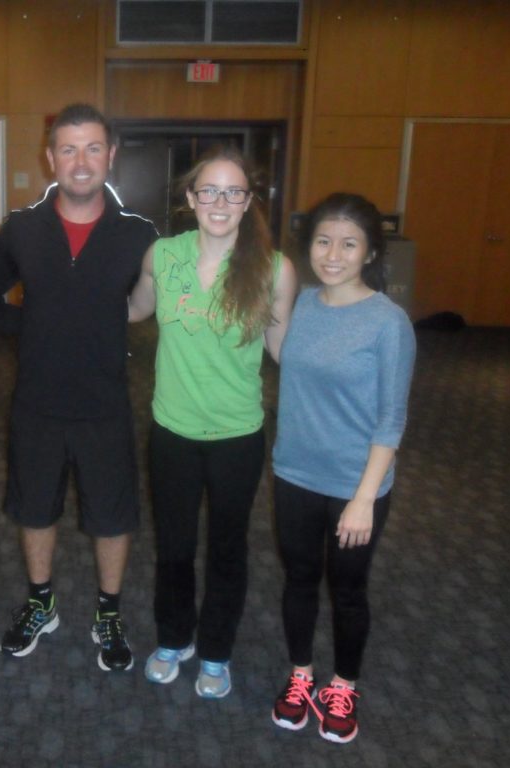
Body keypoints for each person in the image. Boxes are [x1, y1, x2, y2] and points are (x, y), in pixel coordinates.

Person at [0, 104, 157, 671]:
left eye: (93, 148)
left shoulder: (139, 234)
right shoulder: (22, 228)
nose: (81, 161)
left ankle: (108, 612)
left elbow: (166, 302)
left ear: (111, 155)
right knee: (35, 509)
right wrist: (32, 326)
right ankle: (41, 603)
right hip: (38, 402)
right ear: (50, 157)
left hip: (106, 402)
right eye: (69, 149)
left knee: (113, 515)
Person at [127, 147, 296, 698]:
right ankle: (174, 638)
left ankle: (217, 651)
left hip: (237, 435)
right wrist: (70, 302)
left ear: (248, 202)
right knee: (174, 546)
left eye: (233, 192)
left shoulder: (273, 269)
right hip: (172, 430)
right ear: (190, 198)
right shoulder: (163, 255)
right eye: (209, 191)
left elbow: (284, 349)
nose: (220, 202)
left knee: (227, 549)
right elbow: (134, 309)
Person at [269, 192, 415, 742]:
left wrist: (364, 498)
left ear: (370, 252)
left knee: (348, 588)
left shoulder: (387, 323)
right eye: (323, 241)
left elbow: (391, 419)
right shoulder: (304, 304)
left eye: (349, 244)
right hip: (294, 472)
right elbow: (287, 360)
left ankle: (344, 685)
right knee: (300, 577)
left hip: (357, 483)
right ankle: (301, 675)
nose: (333, 255)